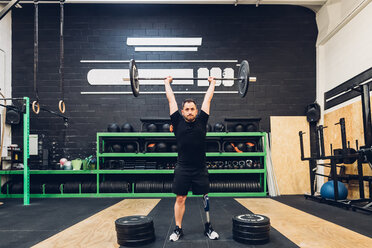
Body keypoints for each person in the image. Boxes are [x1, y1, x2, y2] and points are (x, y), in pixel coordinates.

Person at [164, 75, 219, 242]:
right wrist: (167, 83)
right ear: (182, 112)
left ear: (196, 110)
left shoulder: (202, 121)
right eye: (186, 109)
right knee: (180, 198)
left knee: (205, 196)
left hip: (200, 168)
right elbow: (171, 99)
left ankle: (208, 227)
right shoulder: (177, 121)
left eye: (192, 109)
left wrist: (213, 83)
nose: (189, 111)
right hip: (183, 167)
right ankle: (178, 228)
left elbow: (208, 99)